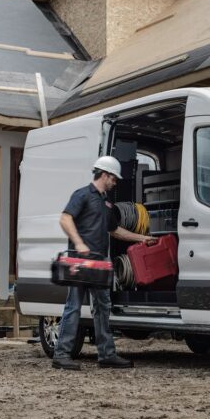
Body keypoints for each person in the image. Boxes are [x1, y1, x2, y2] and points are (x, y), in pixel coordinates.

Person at [52, 156, 156, 371]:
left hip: (99, 265)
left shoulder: (106, 203)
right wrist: (79, 243)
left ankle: (106, 355)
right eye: (114, 178)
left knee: (102, 308)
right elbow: (65, 218)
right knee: (73, 308)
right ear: (105, 175)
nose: (115, 182)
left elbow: (115, 231)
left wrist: (143, 239)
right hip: (79, 262)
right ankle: (61, 355)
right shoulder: (82, 195)